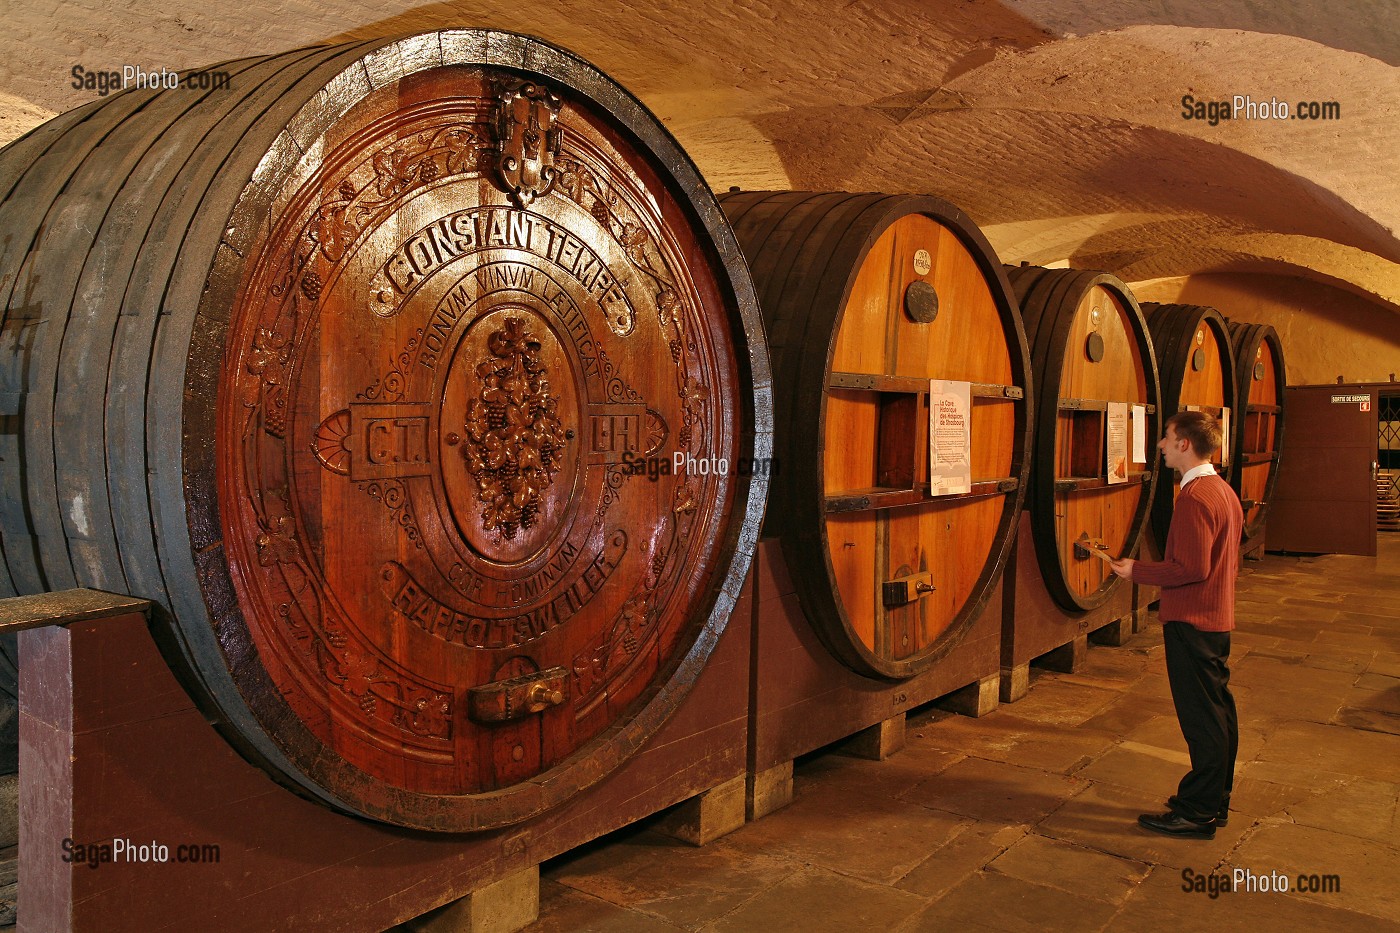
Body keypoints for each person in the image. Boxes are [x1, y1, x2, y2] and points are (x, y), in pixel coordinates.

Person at [1109, 410, 1243, 840]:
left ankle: (1197, 812)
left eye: (1166, 438)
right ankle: (1214, 799)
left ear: (1185, 444)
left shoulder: (1195, 497)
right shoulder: (1222, 490)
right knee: (1219, 712)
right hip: (1214, 618)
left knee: (1201, 719)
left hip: (1192, 618)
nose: (1162, 446)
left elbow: (1191, 567)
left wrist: (1137, 571)